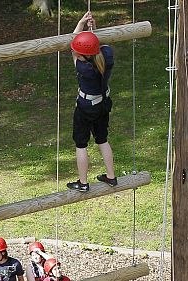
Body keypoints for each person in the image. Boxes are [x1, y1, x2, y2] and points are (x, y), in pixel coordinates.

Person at [67, 12, 118, 192]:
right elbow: (96, 45)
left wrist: (81, 23)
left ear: (81, 55)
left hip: (86, 107)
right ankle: (111, 176)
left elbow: (73, 43)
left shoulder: (83, 67)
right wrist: (93, 30)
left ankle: (83, 182)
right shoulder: (106, 56)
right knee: (102, 139)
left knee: (81, 144)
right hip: (103, 104)